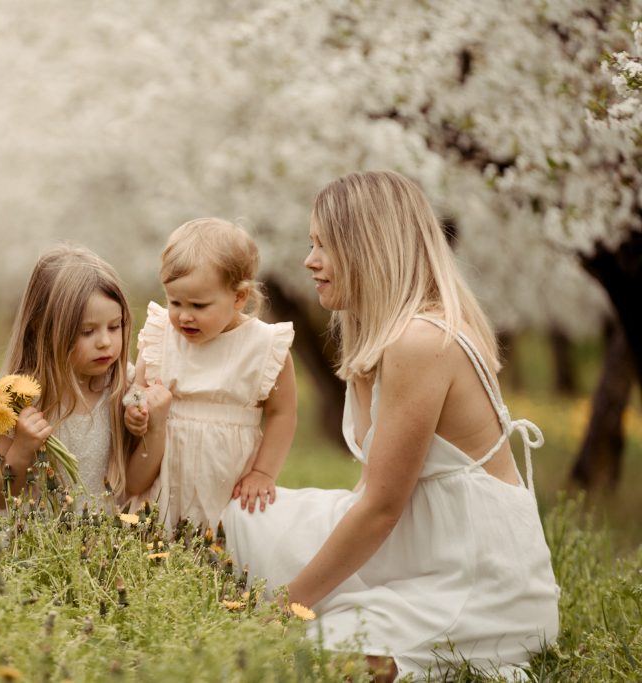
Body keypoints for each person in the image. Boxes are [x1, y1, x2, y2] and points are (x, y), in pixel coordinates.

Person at [222, 171, 560, 680]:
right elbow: (370, 495)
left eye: (324, 246)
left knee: (300, 657)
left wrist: (287, 608)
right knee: (243, 519)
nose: (308, 261)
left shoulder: (421, 342)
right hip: (419, 547)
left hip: (473, 576)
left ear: (368, 250)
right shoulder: (380, 337)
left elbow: (381, 508)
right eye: (311, 244)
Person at [124, 218, 296, 533]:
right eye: (174, 301)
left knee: (218, 549)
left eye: (199, 305)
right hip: (165, 472)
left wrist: (263, 473)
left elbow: (282, 413)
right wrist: (135, 408)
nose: (184, 315)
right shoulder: (161, 334)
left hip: (225, 478)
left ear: (239, 297)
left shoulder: (265, 347)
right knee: (153, 539)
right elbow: (137, 386)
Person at [0, 246, 153, 509]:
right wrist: (22, 448)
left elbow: (136, 480)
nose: (105, 342)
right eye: (87, 331)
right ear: (44, 328)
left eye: (114, 326)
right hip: (34, 543)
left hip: (96, 542)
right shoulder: (15, 398)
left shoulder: (122, 386)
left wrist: (150, 419)